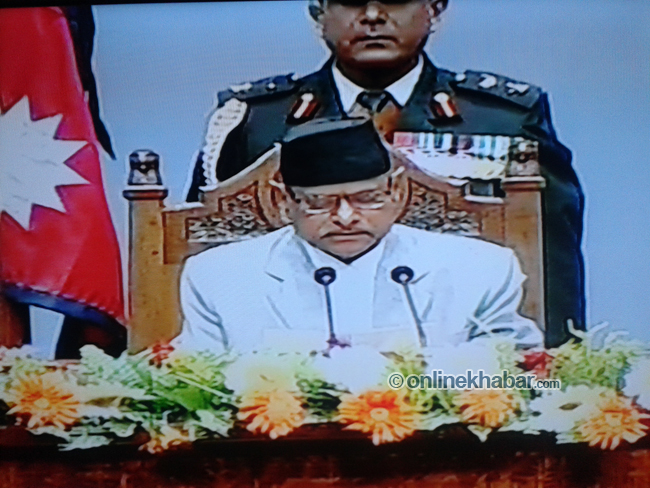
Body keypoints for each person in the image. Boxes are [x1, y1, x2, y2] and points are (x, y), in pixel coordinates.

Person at [184, 0, 584, 348]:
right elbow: (201, 243)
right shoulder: (255, 120)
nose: (373, 15)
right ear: (318, 13)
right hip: (281, 360)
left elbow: (551, 259)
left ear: (435, 8)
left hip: (452, 358)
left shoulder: (502, 117)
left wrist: (556, 383)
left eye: (394, 0)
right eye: (352, 1)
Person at [174, 119, 542, 353]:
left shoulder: (482, 268)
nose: (346, 217)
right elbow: (197, 386)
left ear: (396, 191)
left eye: (367, 198)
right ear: (283, 200)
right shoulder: (218, 277)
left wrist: (415, 383)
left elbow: (523, 377)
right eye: (319, 202)